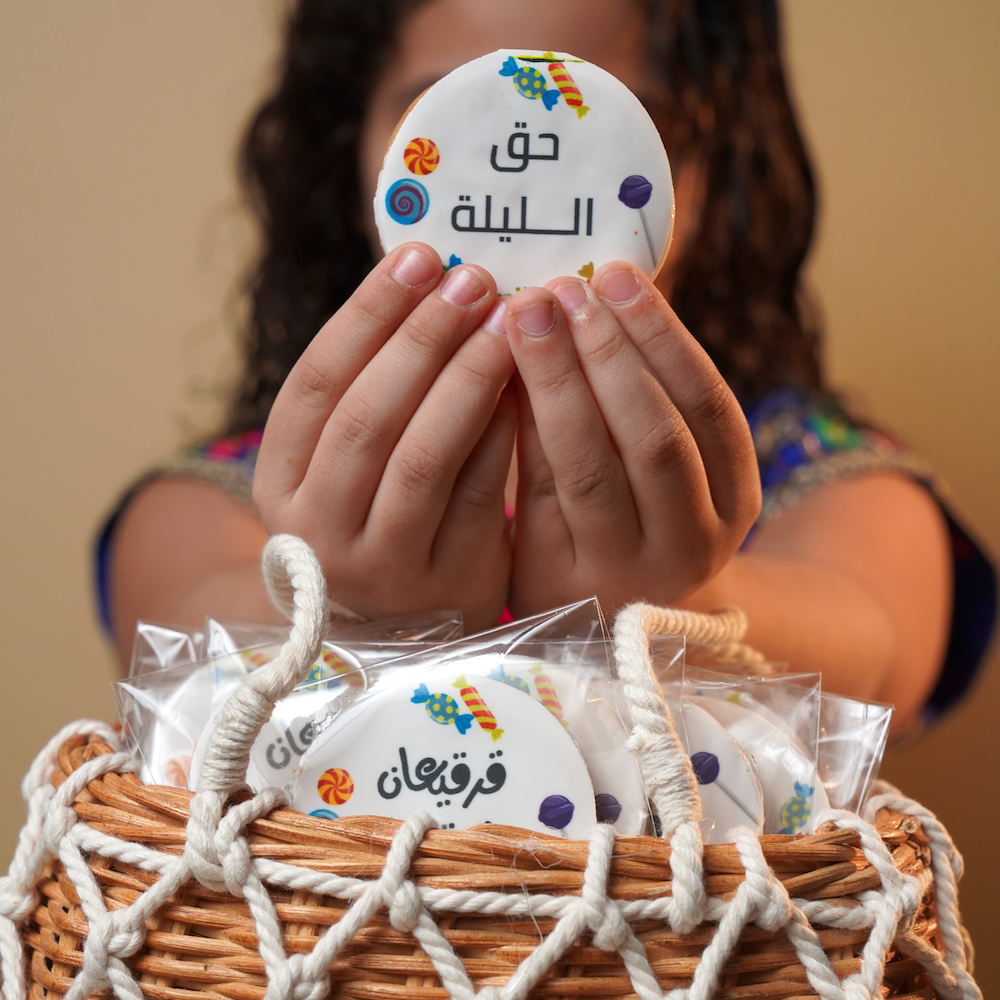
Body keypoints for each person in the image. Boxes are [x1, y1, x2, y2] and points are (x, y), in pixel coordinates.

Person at [96, 0, 995, 734]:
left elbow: (880, 644)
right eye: (455, 114)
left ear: (708, 175)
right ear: (355, 160)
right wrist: (341, 606)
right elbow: (171, 625)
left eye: (606, 121)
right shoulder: (249, 488)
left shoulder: (797, 469)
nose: (530, 184)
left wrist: (682, 600)